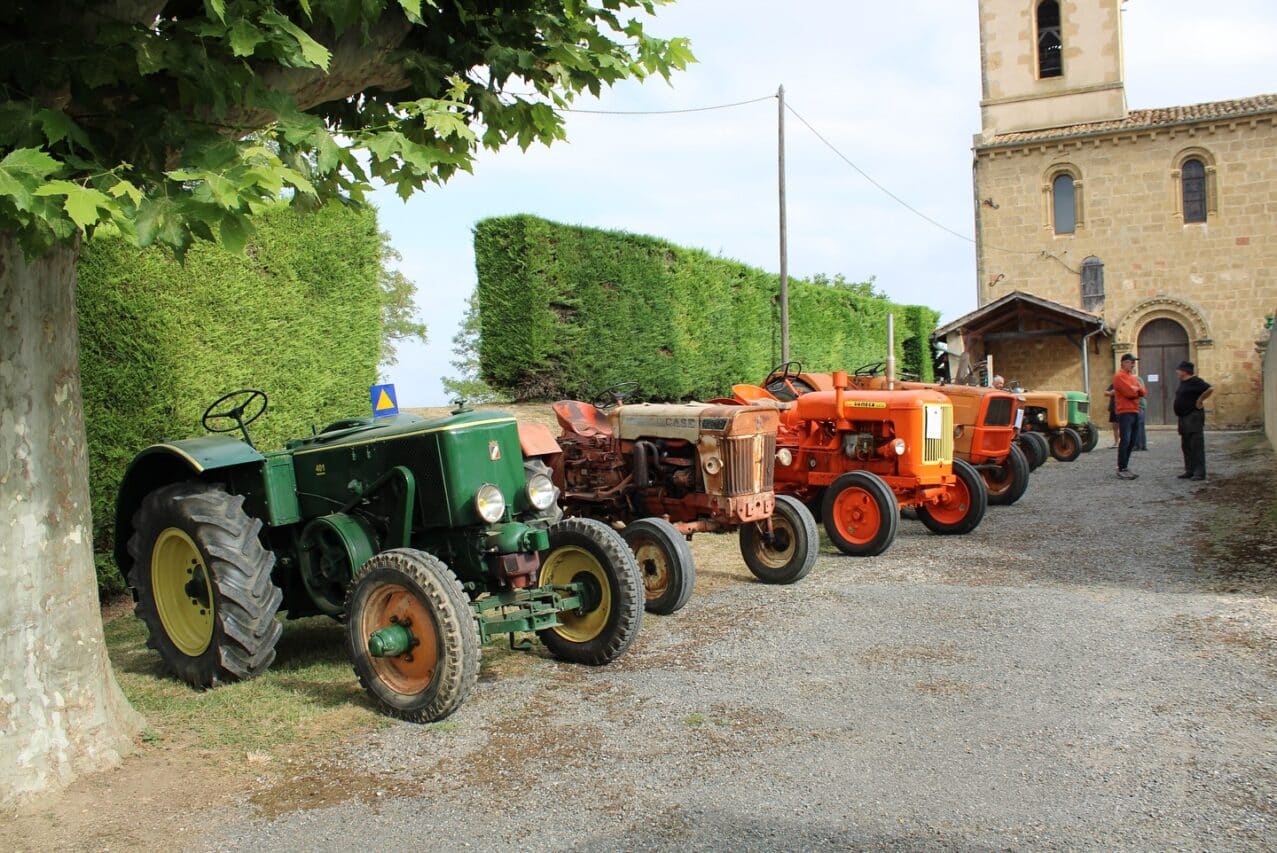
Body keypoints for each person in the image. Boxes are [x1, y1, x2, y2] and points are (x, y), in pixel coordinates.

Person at [1173, 360, 1213, 481]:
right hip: (1183, 417)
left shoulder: (1195, 381)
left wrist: (1200, 400)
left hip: (1193, 416)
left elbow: (1210, 388)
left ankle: (1199, 472)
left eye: (1179, 370)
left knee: (1196, 444)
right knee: (1186, 445)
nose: (1177, 372)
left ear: (1185, 371)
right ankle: (1189, 470)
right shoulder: (1183, 382)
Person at [1111, 353, 1146, 479]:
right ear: (1124, 363)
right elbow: (1129, 393)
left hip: (1134, 410)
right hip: (1124, 411)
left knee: (1132, 440)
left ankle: (1125, 466)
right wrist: (1136, 389)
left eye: (1134, 362)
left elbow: (1143, 391)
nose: (1133, 364)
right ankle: (1121, 467)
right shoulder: (1119, 377)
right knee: (1125, 440)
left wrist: (1136, 389)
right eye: (1131, 362)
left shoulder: (1132, 377)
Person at [1133, 374, 1148, 451]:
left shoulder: (1135, 379)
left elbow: (1139, 391)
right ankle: (1143, 445)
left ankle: (1137, 445)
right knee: (1141, 425)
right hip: (1141, 404)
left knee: (1137, 425)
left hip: (1138, 404)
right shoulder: (1139, 378)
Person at [1104, 382, 1118, 448]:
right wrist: (1111, 393)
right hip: (1113, 408)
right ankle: (1116, 442)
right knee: (1115, 427)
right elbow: (1106, 393)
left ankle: (1123, 442)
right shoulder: (1114, 384)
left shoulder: (1125, 384)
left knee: (1123, 426)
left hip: (1122, 408)